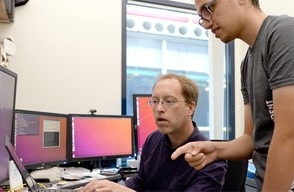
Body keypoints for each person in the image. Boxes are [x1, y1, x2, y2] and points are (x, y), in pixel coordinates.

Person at [171, 0, 294, 191]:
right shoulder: (247, 64)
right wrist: (216, 149)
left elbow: (291, 138)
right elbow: (251, 140)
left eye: (209, 8)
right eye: (201, 15)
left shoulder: (288, 34)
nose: (206, 22)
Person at [80, 73, 227, 192]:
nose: (159, 109)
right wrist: (112, 188)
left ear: (190, 107)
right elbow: (140, 182)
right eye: (155, 101)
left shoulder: (211, 158)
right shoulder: (153, 140)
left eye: (169, 101)